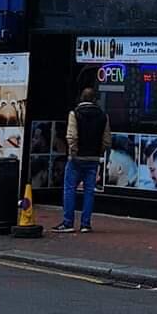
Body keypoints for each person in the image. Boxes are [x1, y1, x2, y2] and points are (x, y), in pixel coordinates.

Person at [59, 85, 110, 233]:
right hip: (93, 158)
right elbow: (107, 140)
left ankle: (68, 223)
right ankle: (85, 224)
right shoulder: (103, 115)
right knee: (89, 191)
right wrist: (99, 152)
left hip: (77, 158)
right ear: (95, 99)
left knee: (69, 189)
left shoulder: (74, 114)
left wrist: (73, 152)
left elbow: (72, 136)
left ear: (81, 98)